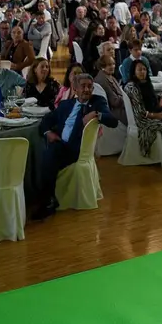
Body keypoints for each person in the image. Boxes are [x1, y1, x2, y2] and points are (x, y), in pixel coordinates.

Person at [33, 73, 118, 219]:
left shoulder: (97, 102)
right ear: (75, 88)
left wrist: (96, 114)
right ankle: (46, 197)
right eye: (83, 86)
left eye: (90, 86)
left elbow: (113, 121)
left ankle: (47, 200)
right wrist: (48, 133)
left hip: (76, 149)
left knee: (49, 155)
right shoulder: (66, 105)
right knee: (46, 153)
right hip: (60, 144)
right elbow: (47, 120)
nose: (87, 89)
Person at [124, 59, 162, 163]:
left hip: (150, 115)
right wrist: (157, 115)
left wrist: (158, 104)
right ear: (134, 72)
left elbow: (149, 102)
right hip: (142, 121)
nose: (142, 72)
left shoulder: (145, 83)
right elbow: (140, 112)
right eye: (139, 70)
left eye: (144, 69)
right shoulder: (132, 87)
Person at [93, 56, 127, 126]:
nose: (112, 66)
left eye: (113, 64)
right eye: (109, 65)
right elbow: (115, 102)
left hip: (121, 106)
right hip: (115, 112)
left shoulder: (109, 76)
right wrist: (127, 97)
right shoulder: (102, 80)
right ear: (102, 66)